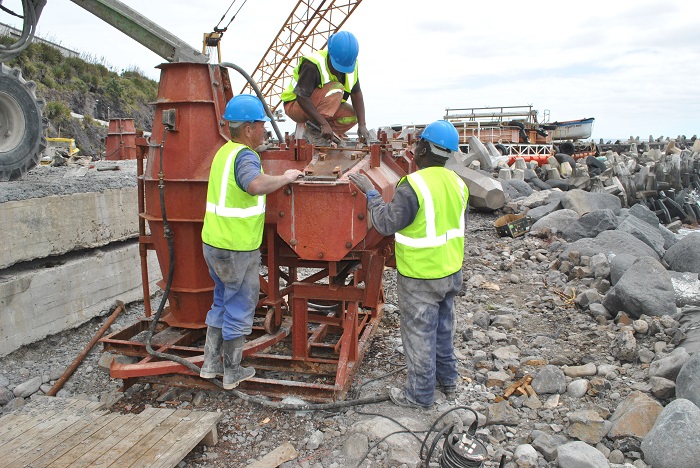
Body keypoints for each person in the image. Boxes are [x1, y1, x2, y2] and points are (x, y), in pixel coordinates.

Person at [348, 120, 469, 409]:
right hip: (450, 271)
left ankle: (420, 395)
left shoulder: (413, 184)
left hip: (420, 276)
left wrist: (371, 193)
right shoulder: (458, 183)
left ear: (424, 148)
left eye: (418, 144)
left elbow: (386, 222)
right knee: (443, 329)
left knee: (418, 335)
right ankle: (448, 382)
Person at [200, 94, 303, 390]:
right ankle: (232, 371)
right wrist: (285, 177)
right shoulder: (246, 156)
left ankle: (209, 365)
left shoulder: (224, 152)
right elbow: (254, 184)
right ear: (247, 129)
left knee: (221, 300)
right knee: (240, 305)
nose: (264, 130)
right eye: (260, 125)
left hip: (213, 244)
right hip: (237, 248)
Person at [281, 30, 370, 145]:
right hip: (296, 106)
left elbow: (356, 94)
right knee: (336, 88)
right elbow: (302, 97)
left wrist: (362, 124)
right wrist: (323, 123)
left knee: (353, 116)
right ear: (330, 54)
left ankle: (322, 135)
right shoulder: (313, 64)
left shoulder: (350, 65)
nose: (340, 70)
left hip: (320, 109)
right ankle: (314, 132)